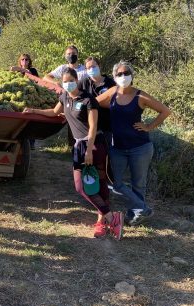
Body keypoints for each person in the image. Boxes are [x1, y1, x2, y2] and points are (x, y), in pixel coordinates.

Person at [24, 68, 124, 240]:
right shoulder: (64, 97)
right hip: (78, 146)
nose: (67, 83)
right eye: (65, 81)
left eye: (70, 80)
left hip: (94, 145)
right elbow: (54, 112)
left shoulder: (88, 99)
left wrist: (90, 150)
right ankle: (111, 217)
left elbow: (93, 127)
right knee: (81, 187)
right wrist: (34, 111)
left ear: (76, 80)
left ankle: (104, 220)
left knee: (98, 183)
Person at [96, 60, 171, 226]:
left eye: (126, 73)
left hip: (140, 148)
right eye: (119, 74)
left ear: (132, 76)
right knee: (117, 184)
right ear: (114, 77)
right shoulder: (112, 92)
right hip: (118, 148)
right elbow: (93, 103)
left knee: (139, 184)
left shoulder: (140, 96)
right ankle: (143, 208)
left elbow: (165, 111)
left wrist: (149, 126)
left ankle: (135, 215)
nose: (123, 76)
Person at [78, 57, 116, 182]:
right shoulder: (84, 82)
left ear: (99, 66)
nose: (91, 69)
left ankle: (108, 180)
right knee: (91, 154)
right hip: (88, 127)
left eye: (94, 66)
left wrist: (92, 103)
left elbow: (114, 102)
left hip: (106, 125)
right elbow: (77, 99)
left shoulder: (110, 83)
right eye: (88, 68)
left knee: (107, 155)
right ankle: (90, 180)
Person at [10, 53, 39, 149]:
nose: (24, 61)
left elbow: (35, 79)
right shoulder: (18, 69)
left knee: (31, 120)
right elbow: (12, 69)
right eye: (22, 59)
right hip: (19, 96)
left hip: (30, 96)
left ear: (29, 61)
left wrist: (25, 71)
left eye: (26, 60)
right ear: (20, 61)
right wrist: (22, 69)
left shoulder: (33, 70)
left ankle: (31, 142)